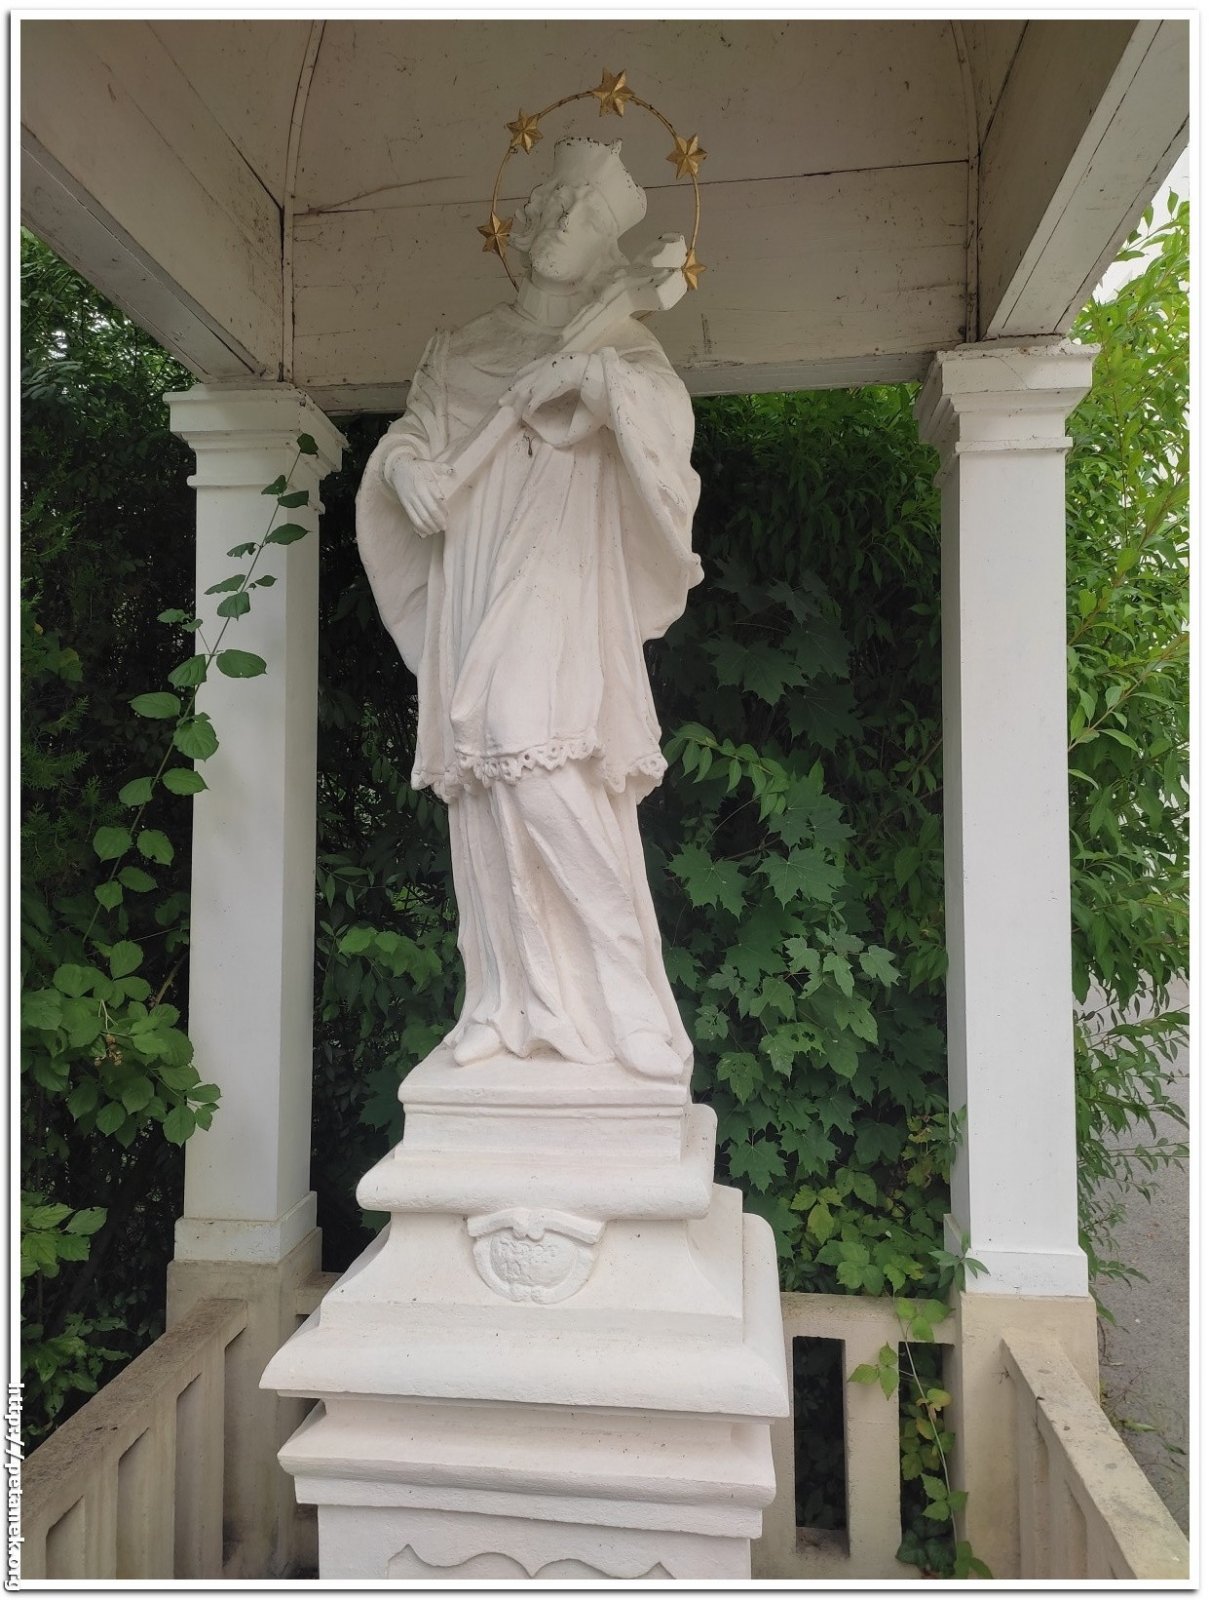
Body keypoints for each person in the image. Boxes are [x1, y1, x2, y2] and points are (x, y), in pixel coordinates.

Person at [356, 136, 702, 1080]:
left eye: (581, 216)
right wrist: (405, 470)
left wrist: (591, 380)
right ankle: (506, 1001)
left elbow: (664, 431)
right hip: (474, 565)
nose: (557, 224)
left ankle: (628, 1001)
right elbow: (413, 435)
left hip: (560, 566)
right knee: (485, 775)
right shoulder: (460, 348)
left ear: (605, 243)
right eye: (550, 205)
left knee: (527, 743)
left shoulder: (621, 341)